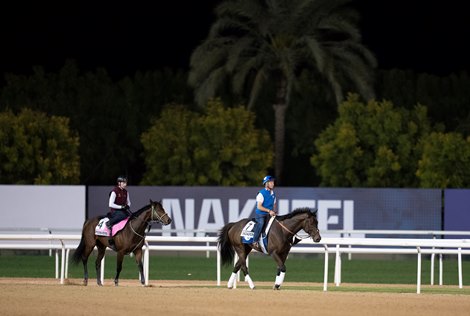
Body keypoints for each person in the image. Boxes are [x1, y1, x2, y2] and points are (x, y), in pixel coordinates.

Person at [251, 175, 277, 248]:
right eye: (271, 182)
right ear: (266, 183)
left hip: (269, 214)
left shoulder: (273, 193)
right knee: (261, 224)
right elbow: (259, 206)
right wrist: (269, 211)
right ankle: (255, 241)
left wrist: (274, 211)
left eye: (273, 182)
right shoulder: (261, 193)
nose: (273, 184)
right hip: (261, 215)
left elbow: (274, 204)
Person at [106, 176, 131, 241]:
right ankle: (109, 223)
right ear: (119, 183)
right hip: (115, 211)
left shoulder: (126, 192)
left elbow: (129, 202)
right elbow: (110, 204)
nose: (125, 184)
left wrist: (127, 205)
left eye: (126, 183)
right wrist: (121, 207)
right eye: (124, 183)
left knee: (131, 217)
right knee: (123, 215)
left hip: (123, 210)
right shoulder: (114, 191)